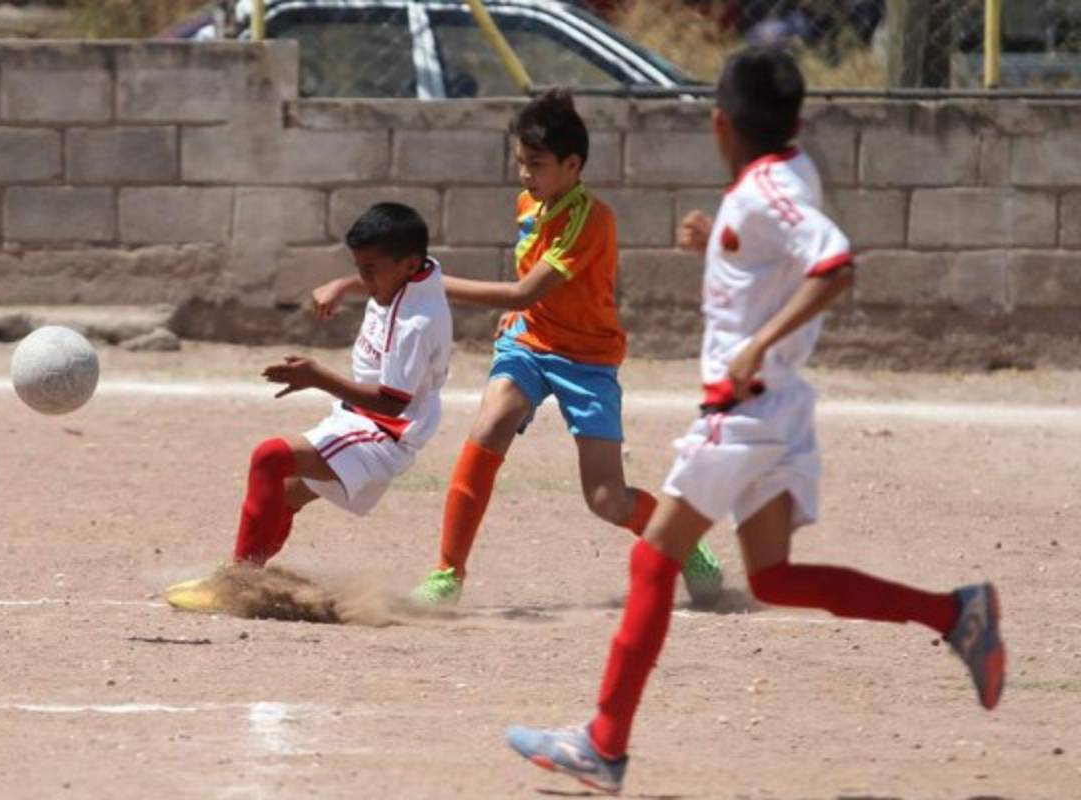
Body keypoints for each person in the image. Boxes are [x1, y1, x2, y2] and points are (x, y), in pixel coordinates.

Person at [504, 48, 1005, 794]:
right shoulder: (788, 173)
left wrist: (757, 347)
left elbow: (834, 264)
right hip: (775, 411)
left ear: (718, 125)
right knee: (773, 578)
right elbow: (788, 250)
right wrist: (723, 247)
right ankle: (956, 612)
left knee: (652, 560)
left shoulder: (764, 190)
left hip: (741, 411)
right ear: (797, 121)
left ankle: (604, 744)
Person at [404, 87, 721, 605]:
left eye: (537, 164)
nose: (526, 174)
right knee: (491, 422)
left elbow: (528, 289)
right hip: (529, 342)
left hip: (587, 359)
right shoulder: (529, 201)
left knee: (606, 500)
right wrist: (515, 317)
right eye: (521, 163)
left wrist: (428, 281)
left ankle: (684, 544)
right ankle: (447, 575)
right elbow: (529, 285)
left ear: (573, 165)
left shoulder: (593, 220)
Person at [166, 203, 452, 610]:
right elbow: (383, 273)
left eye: (370, 270)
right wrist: (344, 283)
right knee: (282, 495)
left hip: (384, 432)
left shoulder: (415, 325)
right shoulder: (417, 272)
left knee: (270, 457)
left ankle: (234, 584)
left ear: (407, 265)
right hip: (362, 419)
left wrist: (316, 376)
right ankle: (251, 581)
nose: (365, 279)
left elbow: (390, 403)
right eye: (359, 267)